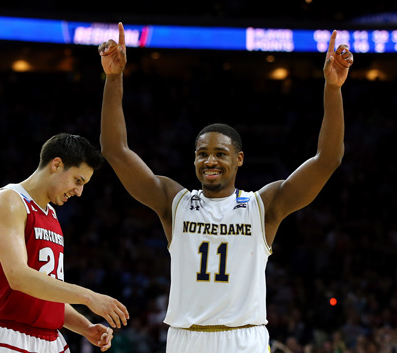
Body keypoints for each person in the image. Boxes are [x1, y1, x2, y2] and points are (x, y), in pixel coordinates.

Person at [98, 23, 353, 353]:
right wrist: (114, 79)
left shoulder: (265, 206)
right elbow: (115, 151)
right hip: (185, 337)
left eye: (220, 153)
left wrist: (333, 89)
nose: (210, 161)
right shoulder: (173, 202)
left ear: (240, 159)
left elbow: (327, 159)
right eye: (202, 154)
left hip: (243, 338)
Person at [0, 133, 130, 353]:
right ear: (56, 164)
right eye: (78, 180)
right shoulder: (8, 201)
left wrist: (85, 327)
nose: (79, 191)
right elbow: (19, 277)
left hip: (52, 340)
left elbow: (45, 293)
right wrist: (88, 296)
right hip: (9, 336)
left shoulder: (51, 215)